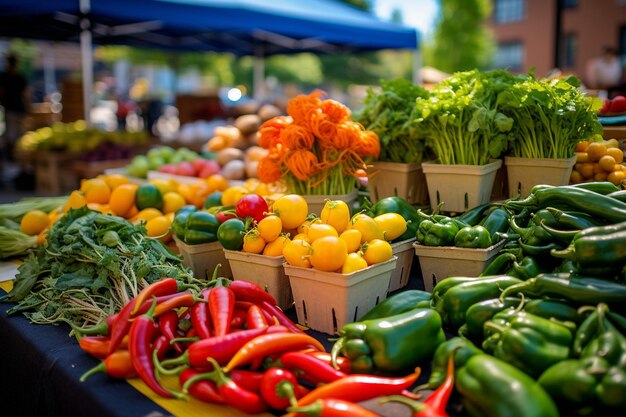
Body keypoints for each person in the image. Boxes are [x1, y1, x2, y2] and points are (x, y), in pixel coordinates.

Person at [0, 54, 30, 161]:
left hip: (13, 110)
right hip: (15, 110)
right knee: (16, 136)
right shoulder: (16, 77)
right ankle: (15, 157)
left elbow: (25, 94)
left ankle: (16, 157)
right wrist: (27, 109)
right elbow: (26, 95)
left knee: (15, 136)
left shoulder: (7, 76)